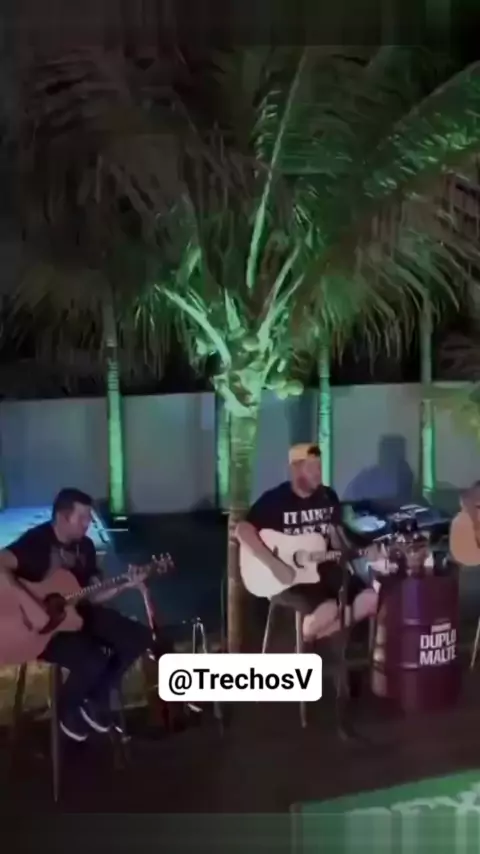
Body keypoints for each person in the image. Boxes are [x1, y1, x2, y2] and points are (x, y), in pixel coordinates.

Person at [0, 488, 159, 742]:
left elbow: (93, 595)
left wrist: (125, 584)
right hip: (38, 630)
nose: (89, 523)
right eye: (82, 518)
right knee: (93, 659)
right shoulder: (36, 543)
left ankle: (95, 699)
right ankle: (67, 709)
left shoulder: (85, 547)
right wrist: (30, 604)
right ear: (63, 517)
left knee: (139, 637)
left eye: (89, 517)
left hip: (76, 614)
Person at [236, 443, 379, 644]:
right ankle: (307, 636)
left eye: (319, 466)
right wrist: (273, 564)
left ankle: (313, 639)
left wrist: (363, 548)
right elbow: (242, 530)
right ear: (295, 469)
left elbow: (338, 539)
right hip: (293, 579)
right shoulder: (275, 501)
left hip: (327, 570)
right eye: (311, 467)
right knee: (329, 610)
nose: (318, 473)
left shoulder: (327, 497)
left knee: (371, 599)